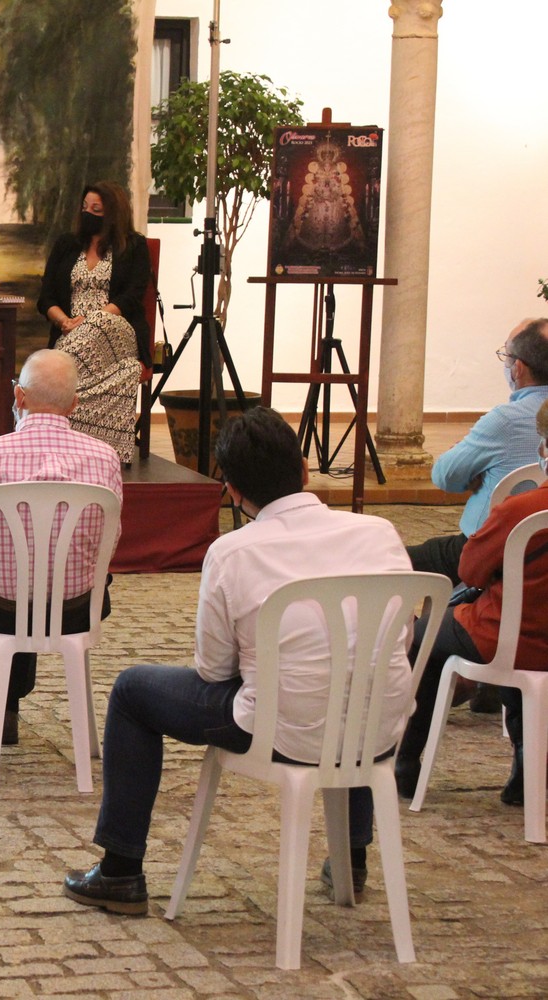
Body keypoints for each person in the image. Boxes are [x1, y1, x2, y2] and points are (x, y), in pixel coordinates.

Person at [62, 407, 415, 915]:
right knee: (356, 676)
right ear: (304, 470)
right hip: (379, 727)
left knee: (132, 692)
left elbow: (213, 670)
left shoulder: (233, 552)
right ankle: (351, 857)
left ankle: (121, 870)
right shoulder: (380, 532)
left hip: (279, 730)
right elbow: (399, 638)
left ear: (233, 491)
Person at [0, 349, 122, 746]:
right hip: (75, 611)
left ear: (18, 396)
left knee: (4, 588)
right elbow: (108, 546)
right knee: (36, 583)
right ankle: (1, 707)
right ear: (74, 405)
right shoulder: (105, 458)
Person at [393, 397, 548, 805]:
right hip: (535, 639)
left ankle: (404, 762)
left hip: (508, 636)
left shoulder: (522, 509)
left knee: (424, 638)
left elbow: (471, 570)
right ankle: (526, 771)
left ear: (544, 447)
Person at [407, 319, 548, 583]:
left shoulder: (505, 420)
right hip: (537, 554)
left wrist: (473, 472)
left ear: (517, 368)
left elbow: (445, 476)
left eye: (506, 356)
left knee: (394, 559)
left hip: (493, 551)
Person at [35, 180, 151, 465]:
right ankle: (73, 441)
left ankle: (43, 395)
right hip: (70, 334)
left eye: (96, 210)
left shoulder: (134, 246)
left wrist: (93, 321)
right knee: (77, 343)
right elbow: (46, 297)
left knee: (94, 326)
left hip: (117, 329)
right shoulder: (66, 245)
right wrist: (64, 322)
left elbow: (133, 295)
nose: (88, 213)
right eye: (85, 208)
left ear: (113, 212)